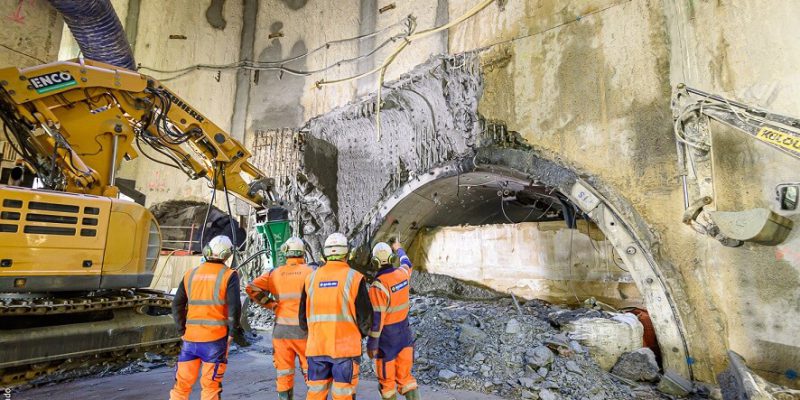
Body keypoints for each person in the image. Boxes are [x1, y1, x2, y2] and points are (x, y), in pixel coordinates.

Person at [170, 235, 248, 400]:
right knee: (210, 387)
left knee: (181, 386)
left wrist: (182, 330)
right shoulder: (229, 275)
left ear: (208, 250)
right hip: (215, 339)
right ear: (227, 255)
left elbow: (177, 305)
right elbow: (234, 307)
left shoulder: (190, 274)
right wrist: (232, 333)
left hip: (190, 340)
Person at [299, 232, 373, 400]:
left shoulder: (310, 278)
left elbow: (302, 320)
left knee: (316, 394)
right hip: (345, 349)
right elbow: (365, 318)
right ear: (348, 254)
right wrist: (360, 335)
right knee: (343, 394)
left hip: (316, 347)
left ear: (324, 254)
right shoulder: (354, 278)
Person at [246, 236, 313, 400]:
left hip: (281, 331)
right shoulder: (311, 272)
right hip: (305, 331)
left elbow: (251, 288)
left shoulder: (274, 273)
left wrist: (271, 305)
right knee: (311, 373)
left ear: (286, 253)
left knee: (284, 372)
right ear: (302, 252)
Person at [367, 240, 419, 400]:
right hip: (405, 335)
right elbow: (407, 262)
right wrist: (399, 249)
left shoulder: (378, 286)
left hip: (386, 341)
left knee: (387, 384)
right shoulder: (403, 273)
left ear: (375, 262)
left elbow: (377, 319)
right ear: (391, 259)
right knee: (406, 379)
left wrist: (372, 344)